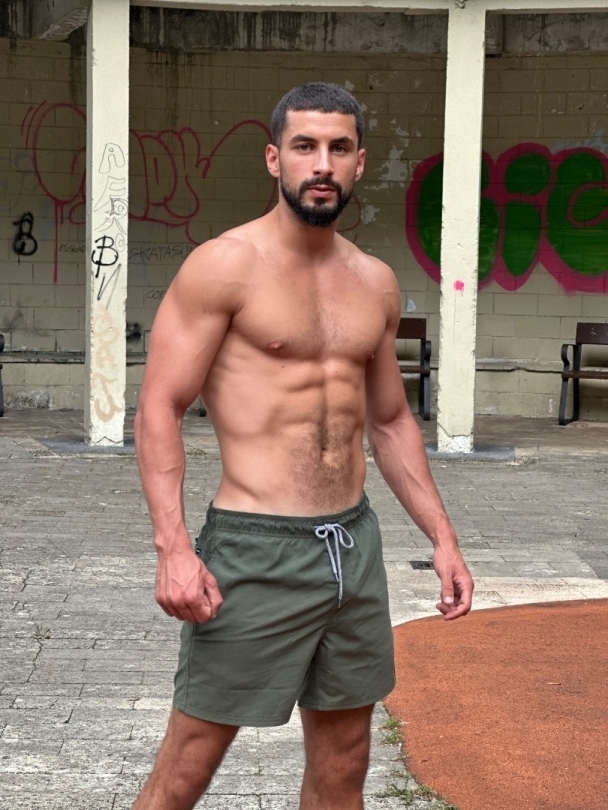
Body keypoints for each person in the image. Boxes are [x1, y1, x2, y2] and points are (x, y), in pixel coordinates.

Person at [133, 82, 473, 810]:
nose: (322, 164)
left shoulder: (375, 283)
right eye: (305, 146)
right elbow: (160, 405)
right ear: (274, 158)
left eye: (339, 148)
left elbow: (390, 422)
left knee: (346, 760)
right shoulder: (224, 265)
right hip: (254, 549)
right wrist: (172, 548)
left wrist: (442, 538)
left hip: (353, 548)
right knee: (189, 768)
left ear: (359, 163)